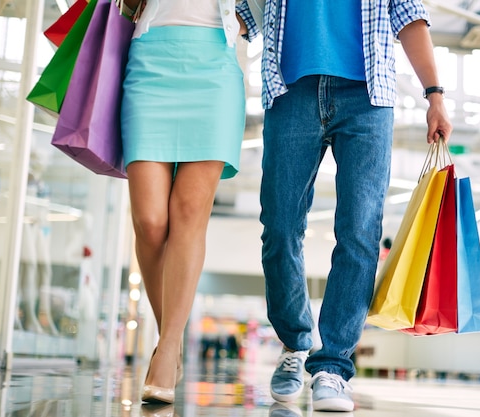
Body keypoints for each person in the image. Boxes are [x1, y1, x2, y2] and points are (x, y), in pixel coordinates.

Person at [237, 0, 452, 412]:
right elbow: (240, 17)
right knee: (280, 227)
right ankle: (295, 341)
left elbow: (408, 15)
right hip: (290, 91)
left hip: (368, 97)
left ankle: (333, 365)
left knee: (359, 232)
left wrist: (435, 94)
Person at [118, 0, 247, 404]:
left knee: (189, 214)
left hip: (214, 64)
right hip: (151, 56)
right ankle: (167, 338)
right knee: (150, 222)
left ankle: (169, 347)